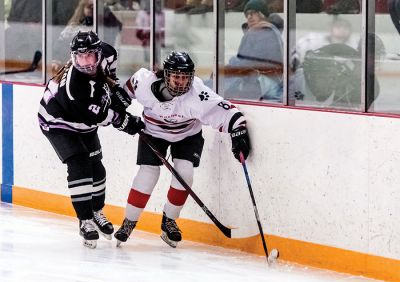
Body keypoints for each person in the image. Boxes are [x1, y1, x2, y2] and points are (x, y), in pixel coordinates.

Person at [114, 51, 251, 248]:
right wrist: (120, 111)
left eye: (185, 77)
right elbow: (124, 94)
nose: (180, 82)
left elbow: (227, 112)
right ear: (166, 74)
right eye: (176, 77)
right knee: (148, 174)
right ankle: (129, 221)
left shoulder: (198, 94)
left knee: (184, 174)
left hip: (187, 136)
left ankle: (169, 220)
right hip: (153, 132)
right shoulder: (144, 81)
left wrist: (238, 132)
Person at [38, 31, 145, 248]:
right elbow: (99, 116)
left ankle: (96, 212)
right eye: (80, 57)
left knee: (98, 169)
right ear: (73, 56)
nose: (85, 62)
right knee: (80, 166)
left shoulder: (108, 54)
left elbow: (110, 79)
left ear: (98, 53)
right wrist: (125, 121)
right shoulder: (75, 87)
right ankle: (85, 220)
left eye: (89, 56)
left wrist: (115, 92)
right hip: (58, 121)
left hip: (84, 120)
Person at [223, 0, 283, 102]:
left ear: (263, 15)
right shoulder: (256, 31)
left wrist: (231, 66)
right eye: (247, 14)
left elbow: (252, 61)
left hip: (265, 82)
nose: (249, 17)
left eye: (253, 13)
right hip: (259, 79)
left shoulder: (265, 32)